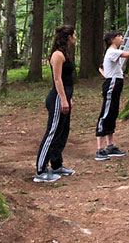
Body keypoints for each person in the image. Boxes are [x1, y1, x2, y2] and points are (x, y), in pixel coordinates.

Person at [95, 21, 129, 161]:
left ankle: (110, 146)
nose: (122, 38)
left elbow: (103, 68)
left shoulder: (113, 53)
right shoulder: (112, 51)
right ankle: (100, 149)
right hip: (112, 84)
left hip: (115, 84)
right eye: (120, 36)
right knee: (105, 114)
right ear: (113, 39)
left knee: (113, 113)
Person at [34, 25, 77, 183]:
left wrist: (69, 98)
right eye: (74, 35)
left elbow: (67, 80)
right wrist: (64, 99)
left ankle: (56, 165)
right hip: (57, 99)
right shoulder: (58, 55)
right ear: (68, 37)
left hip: (65, 96)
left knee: (62, 132)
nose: (75, 38)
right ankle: (40, 170)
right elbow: (57, 79)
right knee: (52, 132)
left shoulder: (65, 53)